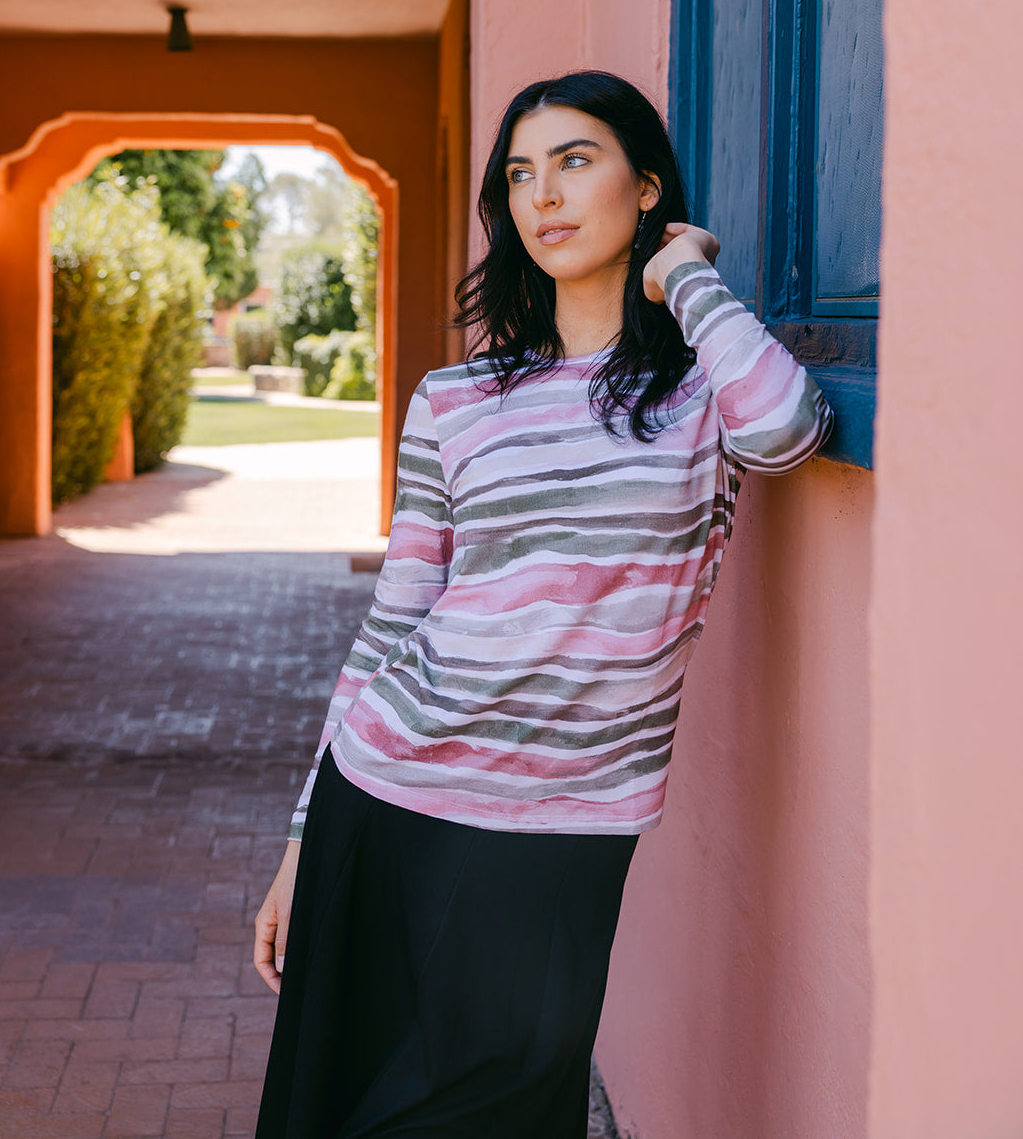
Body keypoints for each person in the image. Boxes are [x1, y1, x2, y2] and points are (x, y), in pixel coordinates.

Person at [253, 71, 833, 1139]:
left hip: (567, 816)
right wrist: (299, 837)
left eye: (574, 160)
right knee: (346, 1109)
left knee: (503, 1100)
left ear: (646, 185)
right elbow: (393, 622)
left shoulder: (698, 388)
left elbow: (786, 428)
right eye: (520, 174)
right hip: (386, 786)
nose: (542, 197)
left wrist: (685, 277)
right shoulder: (457, 399)